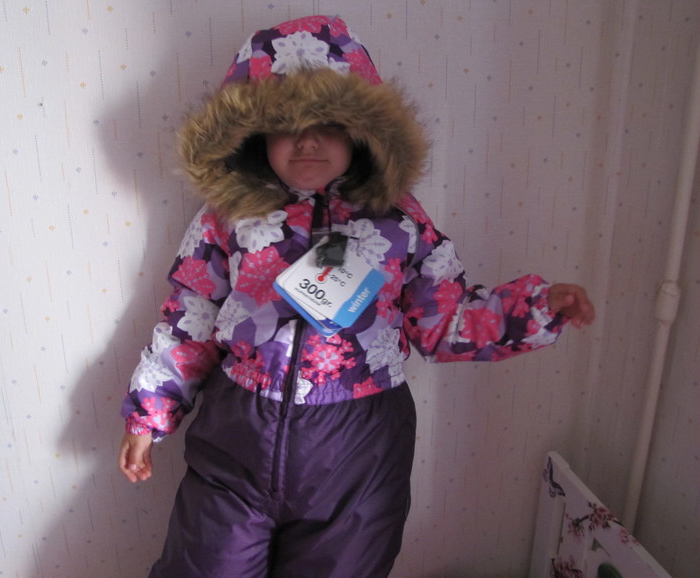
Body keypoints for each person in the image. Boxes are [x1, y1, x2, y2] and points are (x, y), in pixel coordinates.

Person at [118, 15, 594, 577]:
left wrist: (534, 308)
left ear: (364, 131)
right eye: (284, 124)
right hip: (238, 436)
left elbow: (444, 320)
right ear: (253, 133)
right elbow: (190, 317)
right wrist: (148, 415)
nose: (307, 140)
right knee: (205, 566)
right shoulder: (230, 218)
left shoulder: (399, 222)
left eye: (329, 123)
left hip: (360, 448)